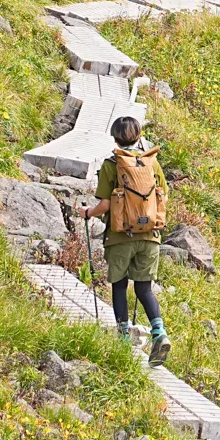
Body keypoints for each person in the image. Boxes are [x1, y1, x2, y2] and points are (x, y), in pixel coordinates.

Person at [89, 112, 171, 365]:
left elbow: (104, 205)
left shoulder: (111, 164)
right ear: (139, 137)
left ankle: (123, 337)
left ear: (114, 138)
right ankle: (159, 332)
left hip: (120, 236)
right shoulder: (151, 163)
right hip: (150, 237)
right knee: (144, 288)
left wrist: (87, 213)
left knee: (119, 285)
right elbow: (163, 198)